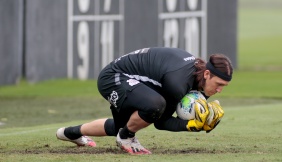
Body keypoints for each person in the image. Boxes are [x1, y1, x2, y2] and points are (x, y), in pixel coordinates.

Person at [56, 47, 233, 155]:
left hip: (133, 79)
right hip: (113, 77)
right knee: (154, 106)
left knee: (123, 124)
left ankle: (70, 133)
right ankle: (126, 138)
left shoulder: (198, 76)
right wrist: (190, 125)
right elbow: (161, 122)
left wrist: (202, 122)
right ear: (207, 74)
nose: (219, 90)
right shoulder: (178, 83)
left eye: (224, 86)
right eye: (218, 84)